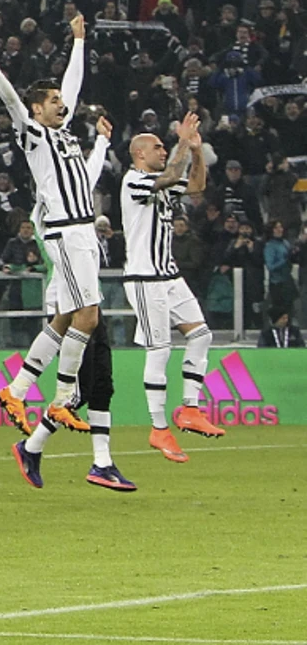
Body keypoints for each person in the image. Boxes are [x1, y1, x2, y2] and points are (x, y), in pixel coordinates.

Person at [0, 18, 123, 489]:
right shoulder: (35, 135)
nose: (63, 104)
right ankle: (62, 396)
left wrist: (80, 41)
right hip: (68, 234)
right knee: (88, 318)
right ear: (39, 110)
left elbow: (74, 83)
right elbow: (13, 104)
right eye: (54, 102)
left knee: (65, 318)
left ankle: (16, 389)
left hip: (83, 234)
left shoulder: (66, 137)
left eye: (62, 101)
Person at [121, 113, 224, 463]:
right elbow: (170, 176)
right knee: (160, 348)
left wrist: (195, 151)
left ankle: (190, 410)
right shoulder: (134, 181)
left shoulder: (161, 180)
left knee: (202, 334)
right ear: (140, 154)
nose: (163, 151)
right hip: (145, 278)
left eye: (166, 146)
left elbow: (195, 186)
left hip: (168, 275)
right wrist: (182, 140)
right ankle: (158, 427)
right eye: (158, 147)